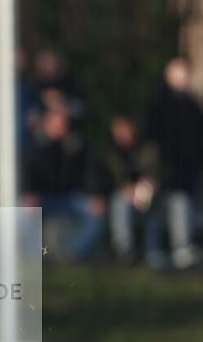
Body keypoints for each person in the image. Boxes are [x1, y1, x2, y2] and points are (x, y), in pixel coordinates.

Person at [145, 57, 203, 269]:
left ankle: (180, 248)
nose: (183, 78)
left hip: (187, 168)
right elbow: (151, 136)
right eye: (178, 73)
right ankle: (154, 249)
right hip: (162, 166)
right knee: (156, 209)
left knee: (182, 206)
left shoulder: (193, 104)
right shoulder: (158, 102)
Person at [22, 108, 104, 261]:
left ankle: (73, 254)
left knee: (96, 213)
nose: (61, 128)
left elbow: (90, 172)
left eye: (64, 124)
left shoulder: (77, 146)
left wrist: (94, 194)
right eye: (57, 124)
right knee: (23, 211)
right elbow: (27, 173)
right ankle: (38, 254)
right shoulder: (34, 146)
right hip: (43, 197)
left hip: (71, 197)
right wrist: (30, 193)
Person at [104, 115, 160, 263]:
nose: (122, 134)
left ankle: (153, 252)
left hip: (147, 193)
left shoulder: (147, 147)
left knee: (150, 203)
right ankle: (124, 250)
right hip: (124, 195)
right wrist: (126, 188)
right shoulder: (111, 152)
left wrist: (149, 183)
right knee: (120, 201)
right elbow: (112, 178)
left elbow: (154, 172)